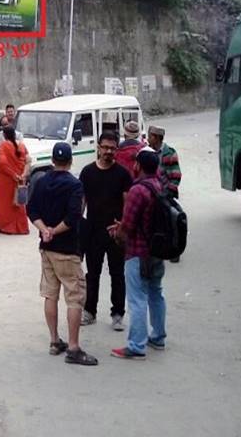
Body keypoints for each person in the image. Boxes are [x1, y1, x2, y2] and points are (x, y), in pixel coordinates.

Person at [27, 142, 98, 366]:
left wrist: (44, 230)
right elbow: (73, 217)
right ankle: (74, 347)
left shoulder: (41, 181)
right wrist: (55, 231)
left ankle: (54, 340)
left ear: (53, 160)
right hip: (67, 249)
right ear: (70, 161)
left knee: (50, 294)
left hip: (46, 249)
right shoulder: (74, 185)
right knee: (75, 297)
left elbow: (31, 210)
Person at [108, 147, 167, 360]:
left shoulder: (137, 190)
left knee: (137, 298)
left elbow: (128, 228)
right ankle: (158, 336)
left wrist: (118, 231)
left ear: (138, 166)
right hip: (157, 250)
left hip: (138, 251)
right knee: (156, 293)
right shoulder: (159, 186)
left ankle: (136, 345)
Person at [79, 131, 132, 331]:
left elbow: (128, 204)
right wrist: (78, 226)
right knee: (92, 273)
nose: (108, 151)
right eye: (105, 147)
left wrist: (123, 228)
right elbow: (81, 202)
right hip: (93, 231)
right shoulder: (87, 172)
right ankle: (89, 311)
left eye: (112, 148)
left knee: (118, 274)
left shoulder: (123, 174)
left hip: (115, 233)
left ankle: (117, 314)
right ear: (98, 148)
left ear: (116, 149)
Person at [147, 125, 182, 262]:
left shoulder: (169, 153)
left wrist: (169, 193)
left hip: (166, 194)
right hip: (153, 194)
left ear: (156, 138)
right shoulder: (148, 152)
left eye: (150, 136)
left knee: (171, 222)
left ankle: (175, 250)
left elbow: (176, 175)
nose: (148, 139)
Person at [0, 126, 30, 235]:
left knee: (5, 203)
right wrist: (23, 175)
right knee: (19, 204)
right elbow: (28, 161)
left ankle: (6, 226)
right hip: (20, 180)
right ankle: (21, 227)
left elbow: (2, 164)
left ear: (4, 135)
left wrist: (14, 175)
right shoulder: (22, 146)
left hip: (6, 181)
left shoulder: (3, 146)